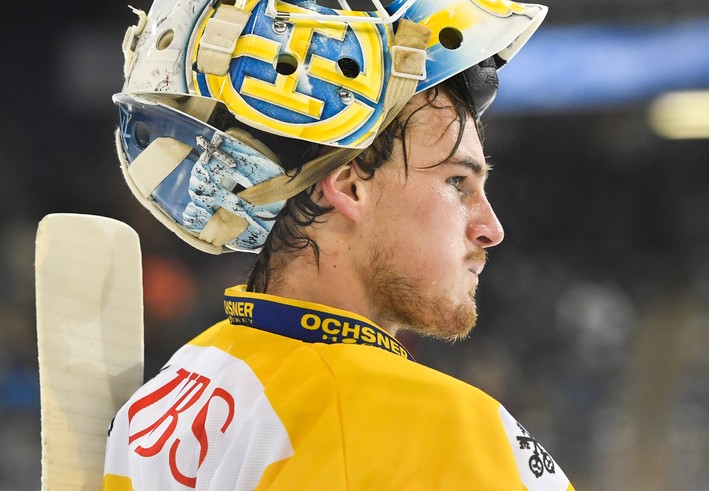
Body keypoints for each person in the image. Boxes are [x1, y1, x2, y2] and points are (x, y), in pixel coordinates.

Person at [104, 0, 574, 489]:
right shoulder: (439, 432)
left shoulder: (163, 398)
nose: (490, 227)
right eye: (458, 182)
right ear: (350, 187)